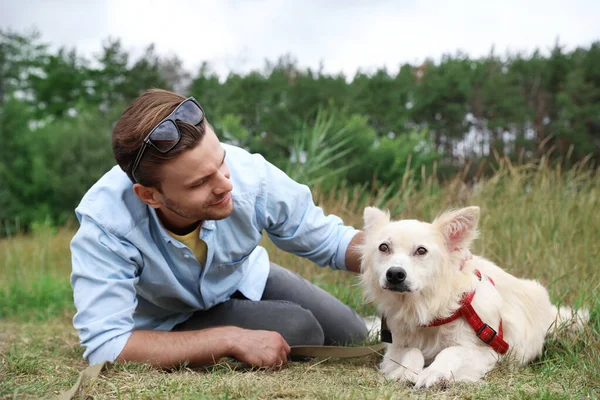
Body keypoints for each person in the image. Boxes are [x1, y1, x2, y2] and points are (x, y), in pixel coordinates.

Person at [70, 89, 369, 369]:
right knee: (298, 327)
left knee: (354, 333)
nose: (226, 185)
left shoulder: (250, 176)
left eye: (221, 161)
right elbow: (107, 345)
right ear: (150, 196)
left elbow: (329, 239)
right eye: (200, 182)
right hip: (168, 318)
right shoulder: (106, 223)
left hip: (243, 277)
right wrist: (229, 340)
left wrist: (403, 255)